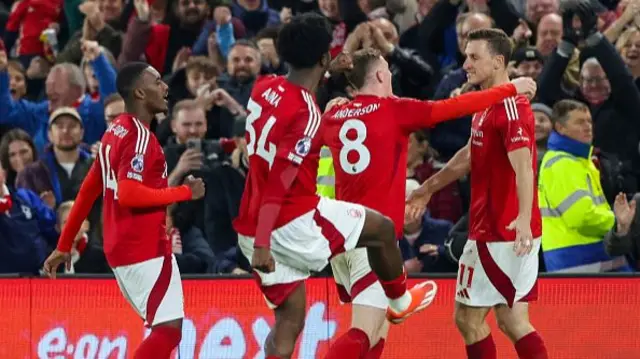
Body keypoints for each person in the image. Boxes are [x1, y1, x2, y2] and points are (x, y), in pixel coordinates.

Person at [233, 13, 435, 359]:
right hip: (290, 221)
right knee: (383, 228)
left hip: (250, 222)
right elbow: (281, 182)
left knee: (289, 321)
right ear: (325, 58)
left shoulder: (262, 88)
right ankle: (400, 299)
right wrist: (266, 243)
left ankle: (397, 301)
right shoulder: (308, 114)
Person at [321, 47, 538, 359]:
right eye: (388, 70)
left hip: (340, 237)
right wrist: (510, 88)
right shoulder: (395, 109)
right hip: (371, 238)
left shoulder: (333, 115)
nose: (391, 74)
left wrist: (330, 95)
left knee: (378, 328)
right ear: (381, 75)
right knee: (363, 330)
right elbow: (455, 106)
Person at [42, 62, 206, 359]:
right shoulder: (139, 137)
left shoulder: (115, 131)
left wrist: (64, 244)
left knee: (164, 328)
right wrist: (184, 191)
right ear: (141, 92)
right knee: (169, 330)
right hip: (143, 247)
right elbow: (130, 195)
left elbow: (89, 190)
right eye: (157, 81)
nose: (165, 86)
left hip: (120, 248)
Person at [407, 28, 549, 359]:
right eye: (465, 56)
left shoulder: (511, 107)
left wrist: (524, 219)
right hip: (494, 226)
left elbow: (525, 168)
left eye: (474, 57)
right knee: (512, 321)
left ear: (498, 61)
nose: (466, 64)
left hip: (502, 230)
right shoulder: (486, 105)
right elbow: (469, 156)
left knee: (469, 320)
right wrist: (427, 189)